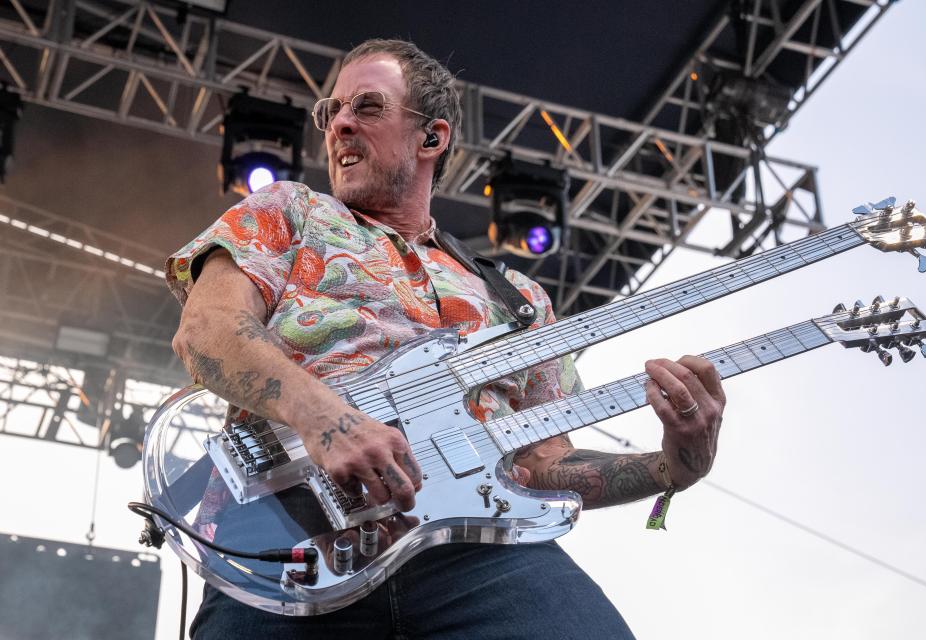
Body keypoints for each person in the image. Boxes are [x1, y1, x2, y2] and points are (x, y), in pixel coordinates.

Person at [167, 38, 725, 640]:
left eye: (368, 107)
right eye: (332, 112)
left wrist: (672, 465)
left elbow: (545, 464)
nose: (340, 124)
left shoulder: (518, 297)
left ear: (431, 138)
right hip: (285, 535)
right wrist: (325, 418)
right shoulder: (288, 212)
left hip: (480, 553)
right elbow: (207, 331)